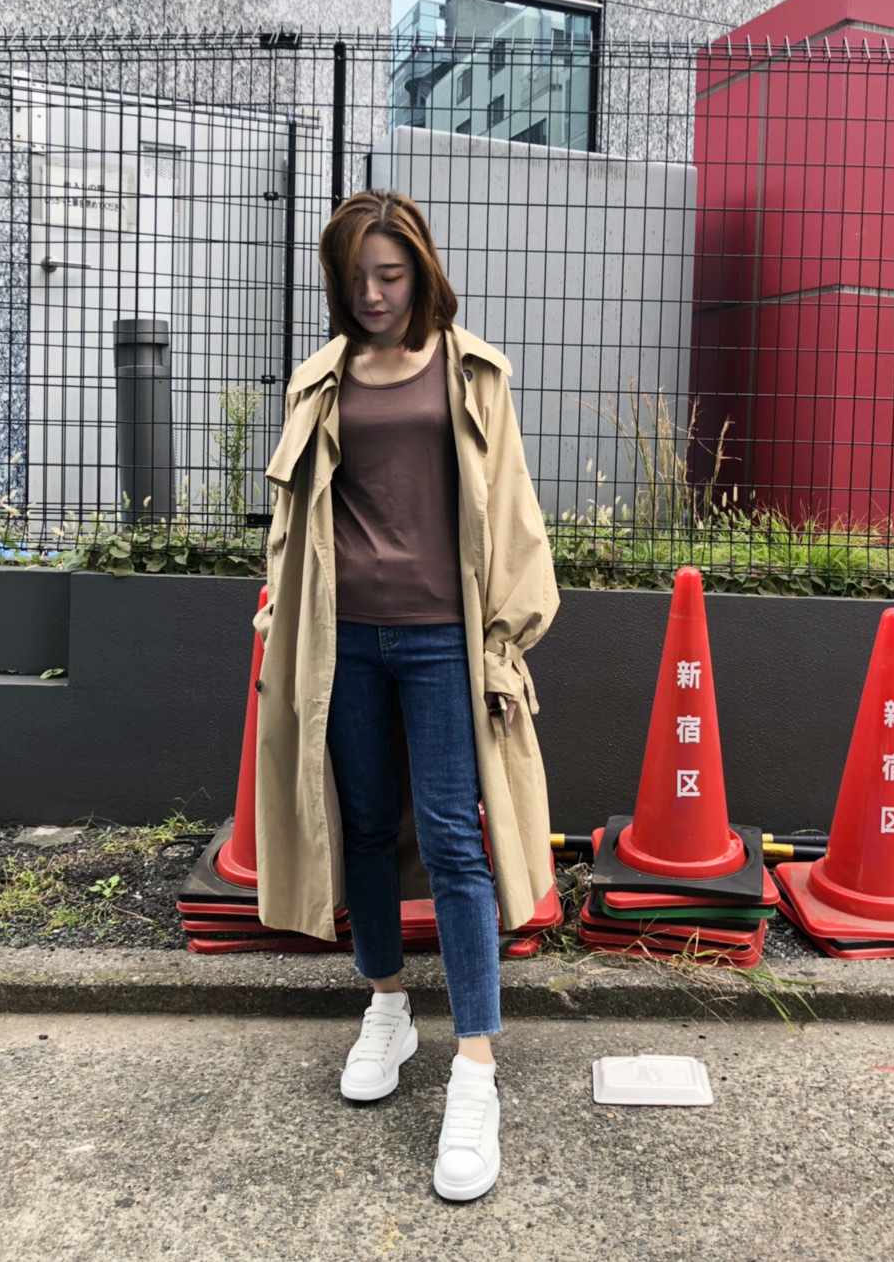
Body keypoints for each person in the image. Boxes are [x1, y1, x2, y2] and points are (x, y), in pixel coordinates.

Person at [251, 188, 559, 1202]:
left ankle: (475, 1065)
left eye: (390, 273)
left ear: (421, 270)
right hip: (341, 640)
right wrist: (277, 619)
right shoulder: (320, 380)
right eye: (357, 278)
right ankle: (386, 1003)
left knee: (457, 838)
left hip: (441, 642)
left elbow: (512, 516)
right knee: (370, 826)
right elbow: (293, 522)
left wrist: (503, 648)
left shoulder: (472, 373)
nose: (374, 294)